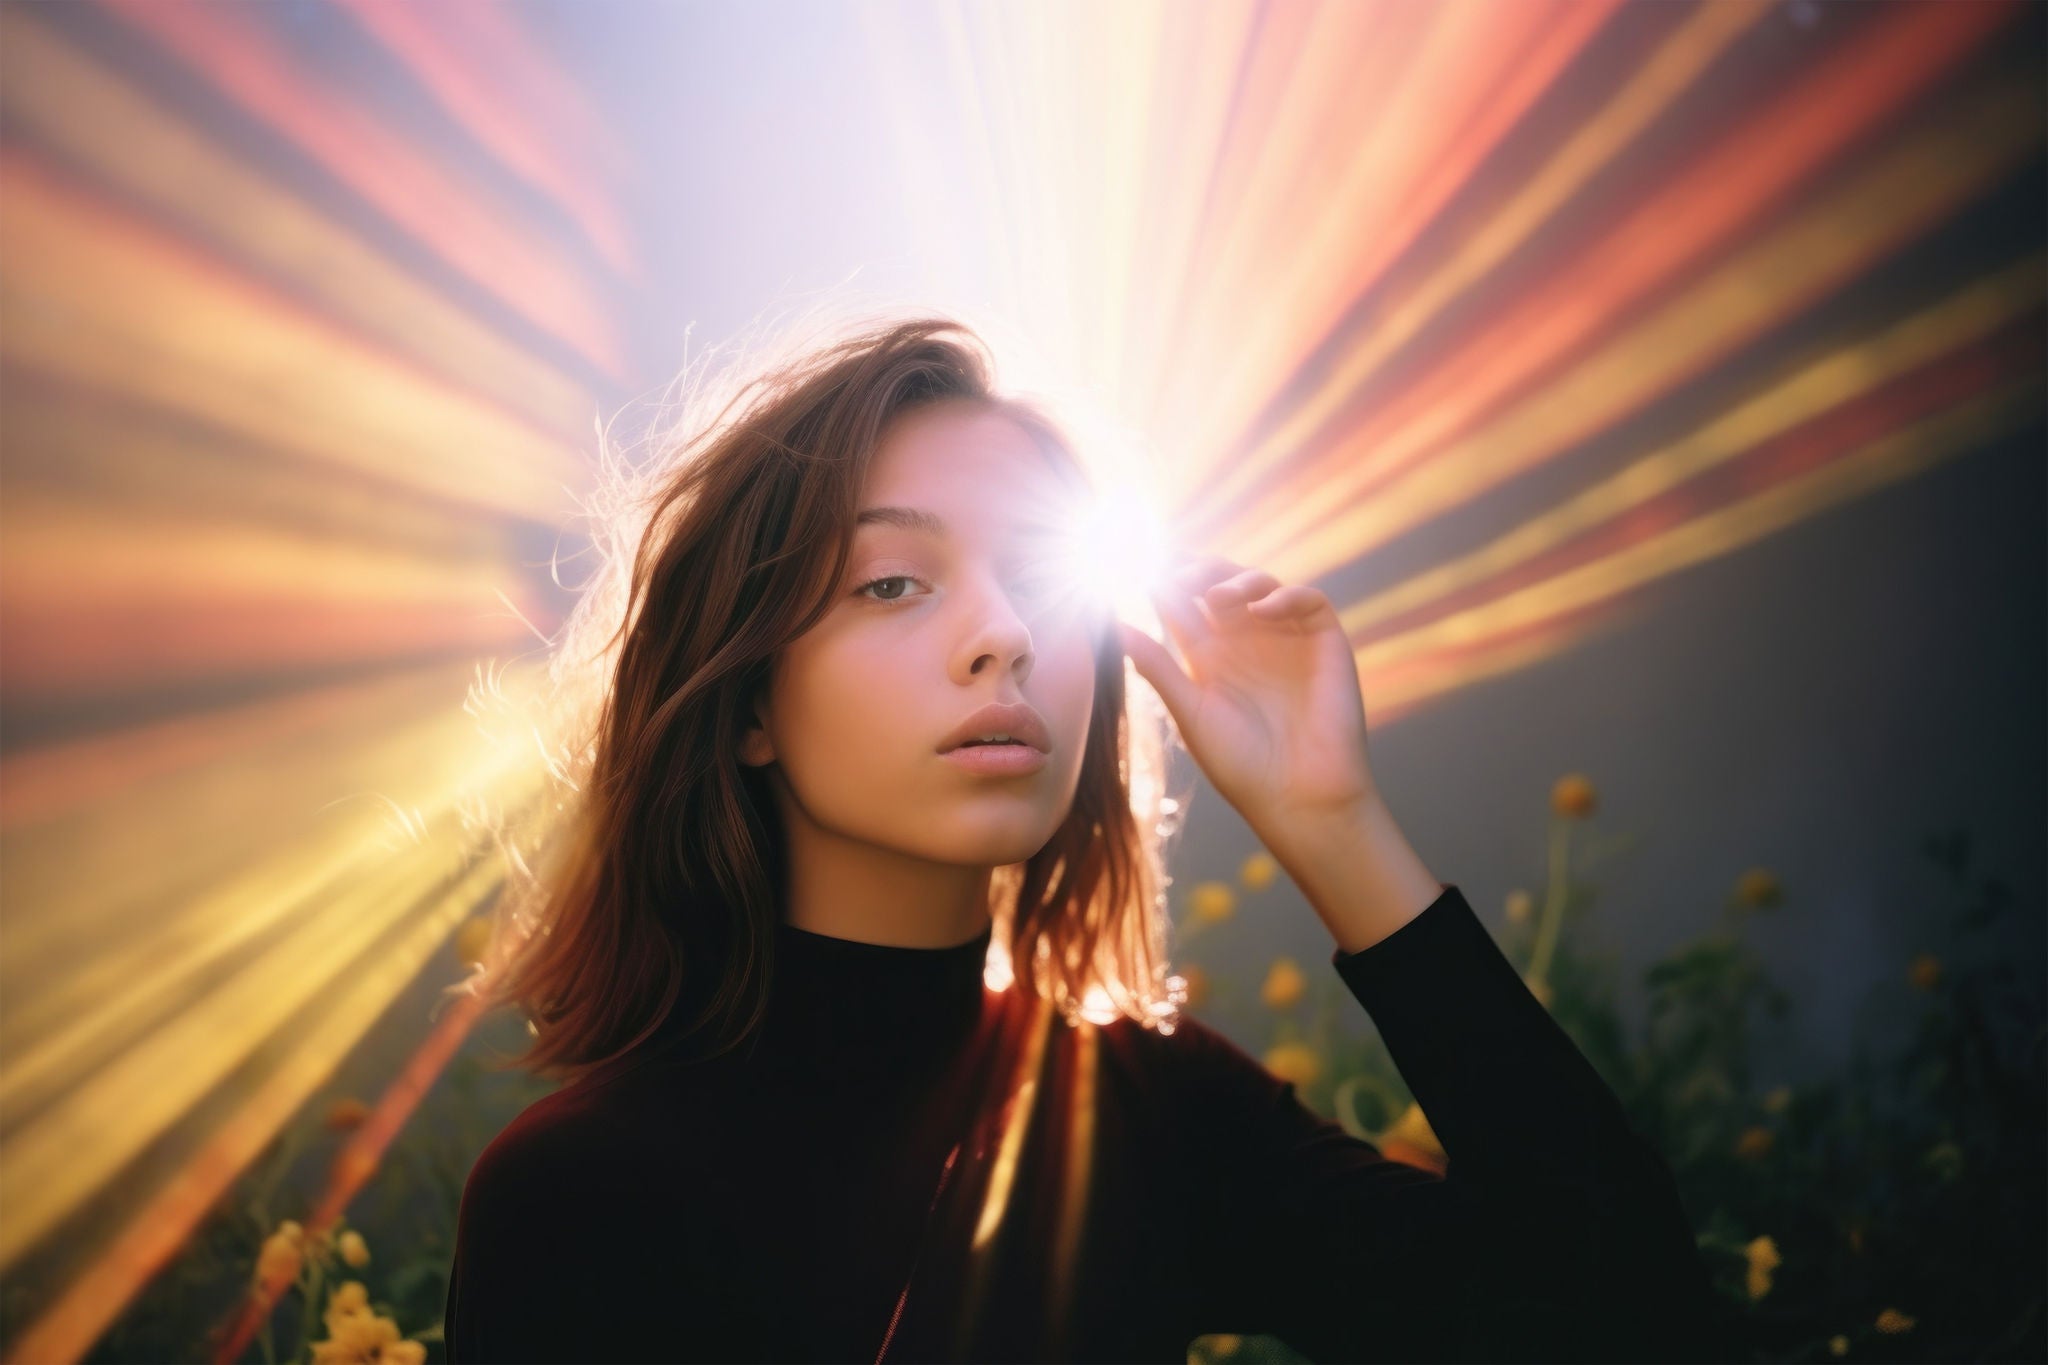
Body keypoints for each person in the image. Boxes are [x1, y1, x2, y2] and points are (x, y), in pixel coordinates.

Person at [442, 314, 1735, 1363]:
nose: (1002, 633)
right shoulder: (581, 1193)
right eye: (892, 582)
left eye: (1040, 577)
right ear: (745, 706)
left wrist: (1332, 821)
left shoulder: (1144, 1108)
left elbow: (1627, 1322)